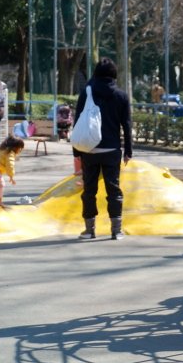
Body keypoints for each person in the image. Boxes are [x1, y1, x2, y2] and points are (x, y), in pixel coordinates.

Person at [75, 57, 133, 241]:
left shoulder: (87, 92)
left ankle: (89, 230)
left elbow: (78, 121)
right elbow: (127, 124)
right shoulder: (121, 96)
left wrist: (76, 151)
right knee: (113, 189)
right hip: (111, 150)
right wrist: (128, 150)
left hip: (89, 150)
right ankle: (116, 230)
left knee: (89, 190)